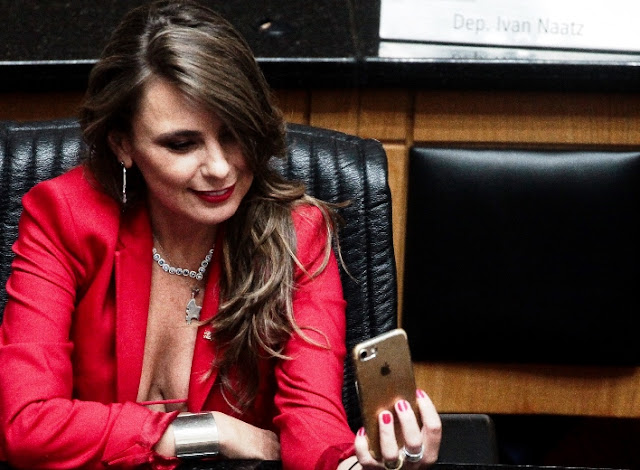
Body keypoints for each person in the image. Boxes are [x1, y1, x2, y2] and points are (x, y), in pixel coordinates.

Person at [0, 1, 441, 469]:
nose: (220, 168)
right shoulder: (64, 216)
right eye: (182, 143)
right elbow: (26, 426)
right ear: (123, 144)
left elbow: (314, 425)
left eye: (233, 134)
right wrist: (213, 431)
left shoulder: (299, 234)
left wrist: (353, 464)